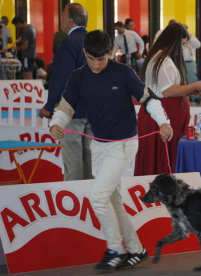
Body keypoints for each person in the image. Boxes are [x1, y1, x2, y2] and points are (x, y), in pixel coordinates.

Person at [48, 30, 173, 273]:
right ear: (84, 53)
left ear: (110, 53)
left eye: (101, 59)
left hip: (124, 145)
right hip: (100, 145)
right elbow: (66, 106)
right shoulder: (78, 77)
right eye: (91, 59)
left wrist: (164, 121)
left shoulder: (124, 72)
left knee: (97, 196)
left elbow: (149, 99)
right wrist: (56, 123)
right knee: (113, 201)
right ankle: (136, 250)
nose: (95, 65)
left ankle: (115, 250)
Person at [134, 23, 201, 176]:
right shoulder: (162, 60)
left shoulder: (163, 58)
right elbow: (166, 91)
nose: (182, 49)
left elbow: (168, 89)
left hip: (167, 113)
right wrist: (192, 86)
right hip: (161, 115)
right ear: (173, 41)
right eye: (181, 44)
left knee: (166, 156)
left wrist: (189, 91)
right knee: (161, 158)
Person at [39, 3, 93, 182]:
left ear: (70, 20)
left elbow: (62, 77)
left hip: (73, 108)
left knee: (72, 155)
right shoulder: (93, 40)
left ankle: (75, 198)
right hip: (93, 107)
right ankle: (91, 196)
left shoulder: (69, 42)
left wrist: (49, 105)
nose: (60, 19)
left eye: (62, 16)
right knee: (90, 155)